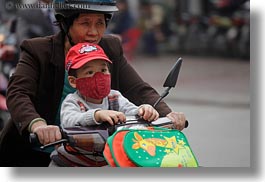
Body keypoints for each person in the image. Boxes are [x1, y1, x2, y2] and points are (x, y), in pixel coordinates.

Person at [0, 0, 186, 167]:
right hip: (38, 155)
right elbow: (18, 93)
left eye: (100, 23)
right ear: (66, 23)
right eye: (85, 23)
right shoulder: (38, 50)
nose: (94, 32)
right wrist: (38, 125)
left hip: (95, 155)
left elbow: (137, 88)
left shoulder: (110, 47)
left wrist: (167, 114)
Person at [61, 42, 159, 128]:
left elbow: (131, 111)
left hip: (114, 147)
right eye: (90, 72)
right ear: (73, 81)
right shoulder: (73, 101)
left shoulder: (114, 97)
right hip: (82, 149)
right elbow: (69, 121)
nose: (99, 76)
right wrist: (96, 115)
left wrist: (144, 110)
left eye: (103, 70)